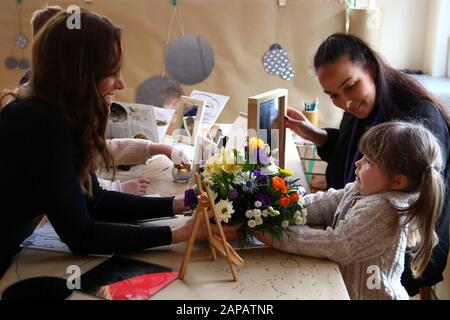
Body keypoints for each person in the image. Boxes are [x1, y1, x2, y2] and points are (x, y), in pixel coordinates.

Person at [0, 10, 236, 277]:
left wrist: (179, 203)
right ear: (79, 73)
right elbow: (82, 236)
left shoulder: (58, 114)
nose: (122, 83)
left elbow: (95, 201)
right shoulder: (42, 124)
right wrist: (179, 233)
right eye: (112, 72)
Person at [285, 33, 450, 296]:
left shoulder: (417, 120)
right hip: (354, 222)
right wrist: (314, 133)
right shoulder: (359, 106)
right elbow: (349, 153)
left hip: (403, 251)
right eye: (333, 95)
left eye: (350, 86)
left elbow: (410, 204)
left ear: (371, 69)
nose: (345, 102)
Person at [257, 121, 445, 299]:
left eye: (369, 161)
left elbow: (337, 244)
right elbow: (326, 204)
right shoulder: (366, 188)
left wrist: (275, 236)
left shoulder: (384, 209)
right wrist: (276, 208)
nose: (358, 163)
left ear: (397, 181)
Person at [18, 5, 189, 196]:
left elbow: (94, 151)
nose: (121, 84)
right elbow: (80, 205)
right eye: (110, 70)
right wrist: (116, 188)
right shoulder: (43, 120)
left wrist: (156, 148)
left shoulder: (54, 107)